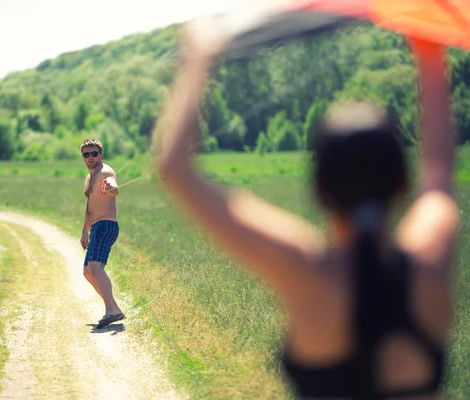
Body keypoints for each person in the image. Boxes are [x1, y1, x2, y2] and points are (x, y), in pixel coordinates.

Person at [154, 16, 459, 399]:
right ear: (402, 183)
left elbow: (175, 171)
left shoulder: (307, 269)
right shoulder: (430, 256)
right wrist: (428, 41)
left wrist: (197, 59)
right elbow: (439, 170)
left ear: (318, 190)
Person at [80, 139, 125, 329]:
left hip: (106, 225)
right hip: (95, 227)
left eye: (94, 153)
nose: (90, 157)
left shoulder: (105, 172)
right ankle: (115, 308)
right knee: (88, 272)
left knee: (96, 268)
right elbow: (89, 206)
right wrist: (84, 231)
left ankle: (110, 310)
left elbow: (113, 187)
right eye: (86, 154)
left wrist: (110, 188)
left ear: (101, 155)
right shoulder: (89, 178)